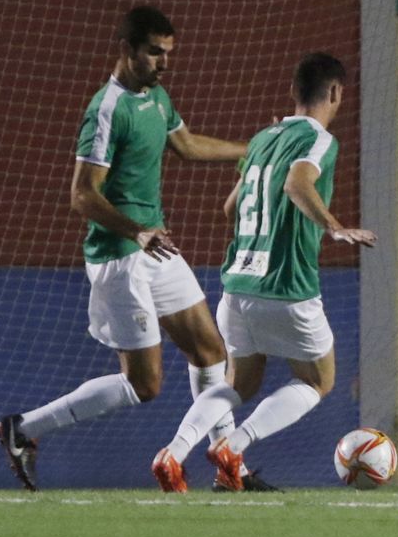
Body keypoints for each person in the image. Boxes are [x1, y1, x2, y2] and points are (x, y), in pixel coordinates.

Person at [0, 6, 267, 491]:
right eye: (154, 52)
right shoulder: (107, 109)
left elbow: (186, 145)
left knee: (209, 352)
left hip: (155, 249)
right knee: (145, 386)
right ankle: (24, 429)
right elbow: (82, 194)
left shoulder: (157, 98)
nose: (163, 63)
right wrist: (136, 231)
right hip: (119, 259)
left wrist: (252, 147)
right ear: (126, 49)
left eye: (168, 53)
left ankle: (231, 471)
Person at [151, 52, 376, 492]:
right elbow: (297, 183)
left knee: (238, 382)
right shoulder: (320, 139)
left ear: (293, 92)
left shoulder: (261, 139)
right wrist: (334, 228)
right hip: (287, 286)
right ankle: (234, 446)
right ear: (335, 93)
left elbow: (231, 208)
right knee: (317, 379)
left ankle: (173, 454)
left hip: (237, 285)